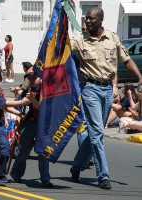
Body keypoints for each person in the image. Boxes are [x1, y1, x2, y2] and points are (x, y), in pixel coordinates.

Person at [70, 7, 142, 189]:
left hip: (107, 90)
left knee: (96, 132)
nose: (87, 22)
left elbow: (126, 59)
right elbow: (61, 50)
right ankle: (103, 176)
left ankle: (77, 166)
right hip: (90, 89)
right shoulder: (80, 40)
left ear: (100, 20)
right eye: (86, 19)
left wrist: (140, 76)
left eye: (91, 19)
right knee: (96, 134)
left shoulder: (112, 38)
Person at [10, 67, 53, 188]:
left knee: (43, 152)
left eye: (34, 77)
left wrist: (32, 99)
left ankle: (45, 178)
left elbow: (43, 108)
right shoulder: (25, 92)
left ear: (41, 78)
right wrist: (18, 123)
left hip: (42, 124)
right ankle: (16, 174)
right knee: (23, 151)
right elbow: (20, 110)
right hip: (29, 123)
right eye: (29, 78)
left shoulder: (46, 91)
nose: (32, 80)